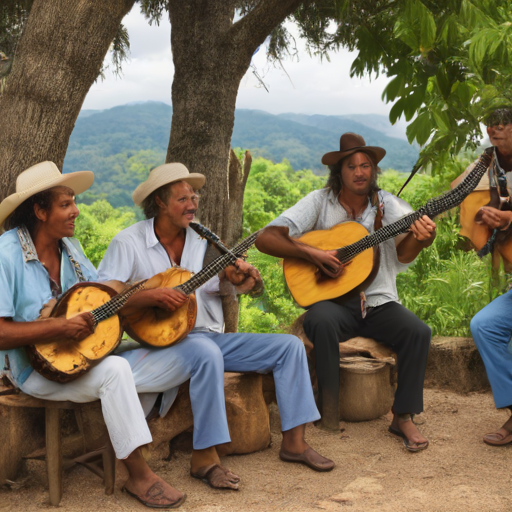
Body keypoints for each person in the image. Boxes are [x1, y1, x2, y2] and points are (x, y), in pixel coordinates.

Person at [96, 162, 334, 489]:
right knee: (206, 350)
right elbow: (103, 298)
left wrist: (234, 279)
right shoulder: (128, 243)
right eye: (182, 199)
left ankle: (294, 443)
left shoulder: (200, 237)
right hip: (156, 345)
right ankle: (205, 456)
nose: (192, 204)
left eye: (194, 197)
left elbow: (205, 287)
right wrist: (152, 296)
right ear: (160, 203)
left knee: (289, 346)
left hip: (205, 337)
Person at [0, 161, 185, 509]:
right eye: (65, 204)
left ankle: (124, 437)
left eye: (74, 201)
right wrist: (58, 326)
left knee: (170, 350)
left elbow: (103, 299)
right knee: (116, 373)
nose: (76, 211)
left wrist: (147, 299)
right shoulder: (6, 255)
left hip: (81, 354)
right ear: (39, 211)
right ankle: (139, 474)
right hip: (30, 368)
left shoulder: (71, 250)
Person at [255, 133, 436, 452]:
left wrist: (421, 238)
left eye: (366, 165)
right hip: (334, 304)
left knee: (418, 331)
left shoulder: (388, 205)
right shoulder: (318, 202)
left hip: (379, 302)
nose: (359, 172)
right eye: (351, 166)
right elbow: (266, 238)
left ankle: (403, 416)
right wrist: (314, 255)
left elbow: (404, 254)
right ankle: (328, 410)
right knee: (321, 321)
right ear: (339, 171)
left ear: (373, 170)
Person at [460, 107, 512, 446]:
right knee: (485, 325)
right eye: (491, 125)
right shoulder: (489, 161)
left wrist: (507, 217)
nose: (496, 129)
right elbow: (457, 188)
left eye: (504, 123)